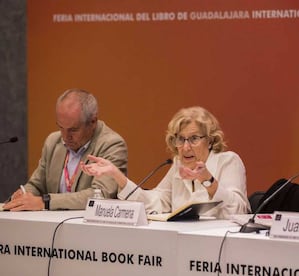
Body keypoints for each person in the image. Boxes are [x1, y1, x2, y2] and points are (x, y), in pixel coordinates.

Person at [81, 106, 250, 219]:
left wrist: (208, 180)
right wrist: (117, 176)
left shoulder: (228, 161)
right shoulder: (179, 165)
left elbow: (239, 211)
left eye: (194, 139)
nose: (185, 147)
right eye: (180, 139)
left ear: (211, 140)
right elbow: (157, 201)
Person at [3, 88, 128, 211]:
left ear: (93, 121)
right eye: (61, 127)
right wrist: (24, 195)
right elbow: (37, 185)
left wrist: (46, 202)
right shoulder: (53, 141)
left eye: (73, 130)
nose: (65, 136)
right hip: (52, 226)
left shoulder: (112, 144)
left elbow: (100, 195)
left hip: (89, 227)